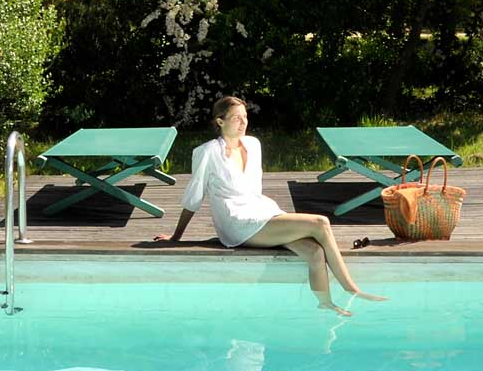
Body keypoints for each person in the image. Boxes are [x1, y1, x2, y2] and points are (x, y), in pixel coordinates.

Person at [152, 95, 387, 316]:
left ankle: (325, 304)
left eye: (245, 117)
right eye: (236, 118)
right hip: (236, 222)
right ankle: (352, 289)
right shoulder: (206, 152)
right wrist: (176, 236)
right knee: (320, 223)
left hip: (262, 212)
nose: (243, 122)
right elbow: (195, 195)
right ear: (220, 121)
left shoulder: (253, 145)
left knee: (315, 252)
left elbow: (253, 191)